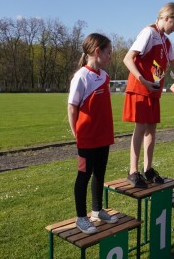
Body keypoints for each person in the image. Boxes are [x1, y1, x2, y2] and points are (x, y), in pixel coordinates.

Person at [122, 2, 174, 188]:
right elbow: (128, 58)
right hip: (141, 88)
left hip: (153, 90)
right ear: (167, 18)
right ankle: (133, 170)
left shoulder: (165, 41)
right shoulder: (149, 33)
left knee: (152, 130)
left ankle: (148, 169)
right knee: (141, 128)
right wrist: (142, 79)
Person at [67, 33, 118, 234]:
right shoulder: (81, 77)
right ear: (97, 52)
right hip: (87, 139)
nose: (110, 56)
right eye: (109, 52)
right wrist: (76, 133)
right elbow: (72, 108)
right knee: (83, 176)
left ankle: (97, 211)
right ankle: (81, 218)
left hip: (103, 137)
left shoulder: (104, 76)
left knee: (100, 174)